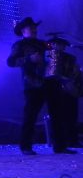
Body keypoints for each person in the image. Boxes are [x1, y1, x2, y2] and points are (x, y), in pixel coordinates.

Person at [6, 17, 74, 154]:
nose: (34, 29)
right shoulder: (19, 46)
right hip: (33, 84)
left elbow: (52, 59)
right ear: (23, 31)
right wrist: (29, 59)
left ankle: (60, 146)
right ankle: (25, 147)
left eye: (34, 27)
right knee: (30, 116)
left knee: (57, 115)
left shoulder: (44, 44)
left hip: (50, 83)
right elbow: (11, 62)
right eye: (30, 28)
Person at [45, 36, 81, 150]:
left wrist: (71, 81)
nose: (59, 47)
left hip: (69, 89)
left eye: (61, 45)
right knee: (60, 116)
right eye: (56, 44)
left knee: (72, 114)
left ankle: (72, 140)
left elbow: (74, 71)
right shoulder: (47, 57)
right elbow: (49, 74)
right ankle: (62, 142)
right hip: (54, 89)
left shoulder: (70, 58)